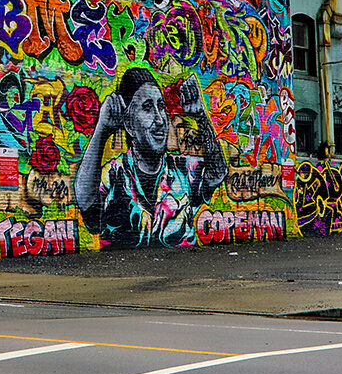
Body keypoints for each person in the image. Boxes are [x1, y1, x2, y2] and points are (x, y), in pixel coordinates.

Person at [74, 66, 228, 247]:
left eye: (161, 106)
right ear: (129, 125)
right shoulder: (114, 174)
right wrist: (102, 129)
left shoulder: (183, 170)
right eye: (148, 108)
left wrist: (201, 116)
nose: (160, 119)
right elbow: (86, 203)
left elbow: (218, 172)